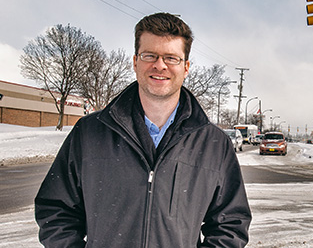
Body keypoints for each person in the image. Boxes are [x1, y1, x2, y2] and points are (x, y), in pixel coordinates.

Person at [35, 13, 252, 247]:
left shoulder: (213, 144)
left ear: (186, 67)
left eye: (172, 58)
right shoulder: (89, 133)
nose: (160, 65)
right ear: (135, 61)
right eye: (150, 55)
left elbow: (231, 224)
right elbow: (55, 211)